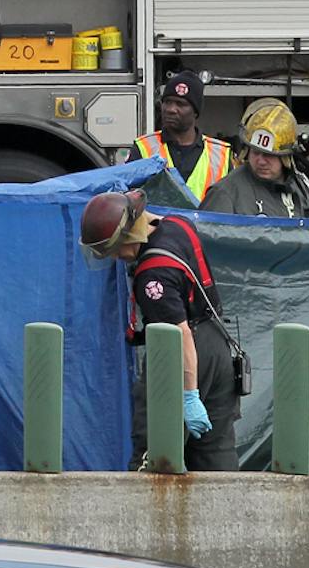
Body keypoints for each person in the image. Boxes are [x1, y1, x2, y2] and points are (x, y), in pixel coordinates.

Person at [81, 187, 239, 471]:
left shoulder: (153, 277)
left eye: (115, 250)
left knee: (154, 455)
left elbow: (180, 335)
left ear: (130, 236)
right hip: (218, 345)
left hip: (183, 358)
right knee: (215, 457)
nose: (116, 257)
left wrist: (189, 396)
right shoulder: (178, 226)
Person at [200, 98, 309, 219]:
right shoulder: (225, 194)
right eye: (255, 152)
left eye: (269, 155)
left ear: (285, 157)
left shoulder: (301, 188)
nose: (261, 161)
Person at [130, 71, 233, 204]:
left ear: (195, 112)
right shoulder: (143, 148)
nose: (171, 109)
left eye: (180, 104)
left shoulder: (221, 155)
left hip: (202, 225)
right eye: (167, 102)